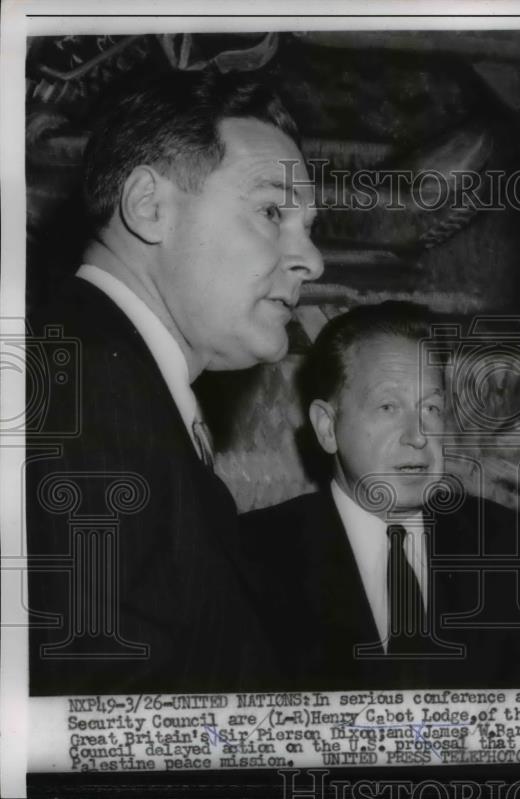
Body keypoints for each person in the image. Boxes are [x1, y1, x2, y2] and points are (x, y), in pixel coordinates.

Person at [27, 70, 324, 695]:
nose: (312, 262)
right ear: (149, 207)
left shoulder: (109, 381)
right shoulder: (91, 391)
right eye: (272, 211)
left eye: (309, 227)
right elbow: (107, 716)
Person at [241, 301, 520, 690]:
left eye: (431, 408)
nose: (418, 436)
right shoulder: (255, 554)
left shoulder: (499, 542)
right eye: (388, 406)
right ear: (327, 427)